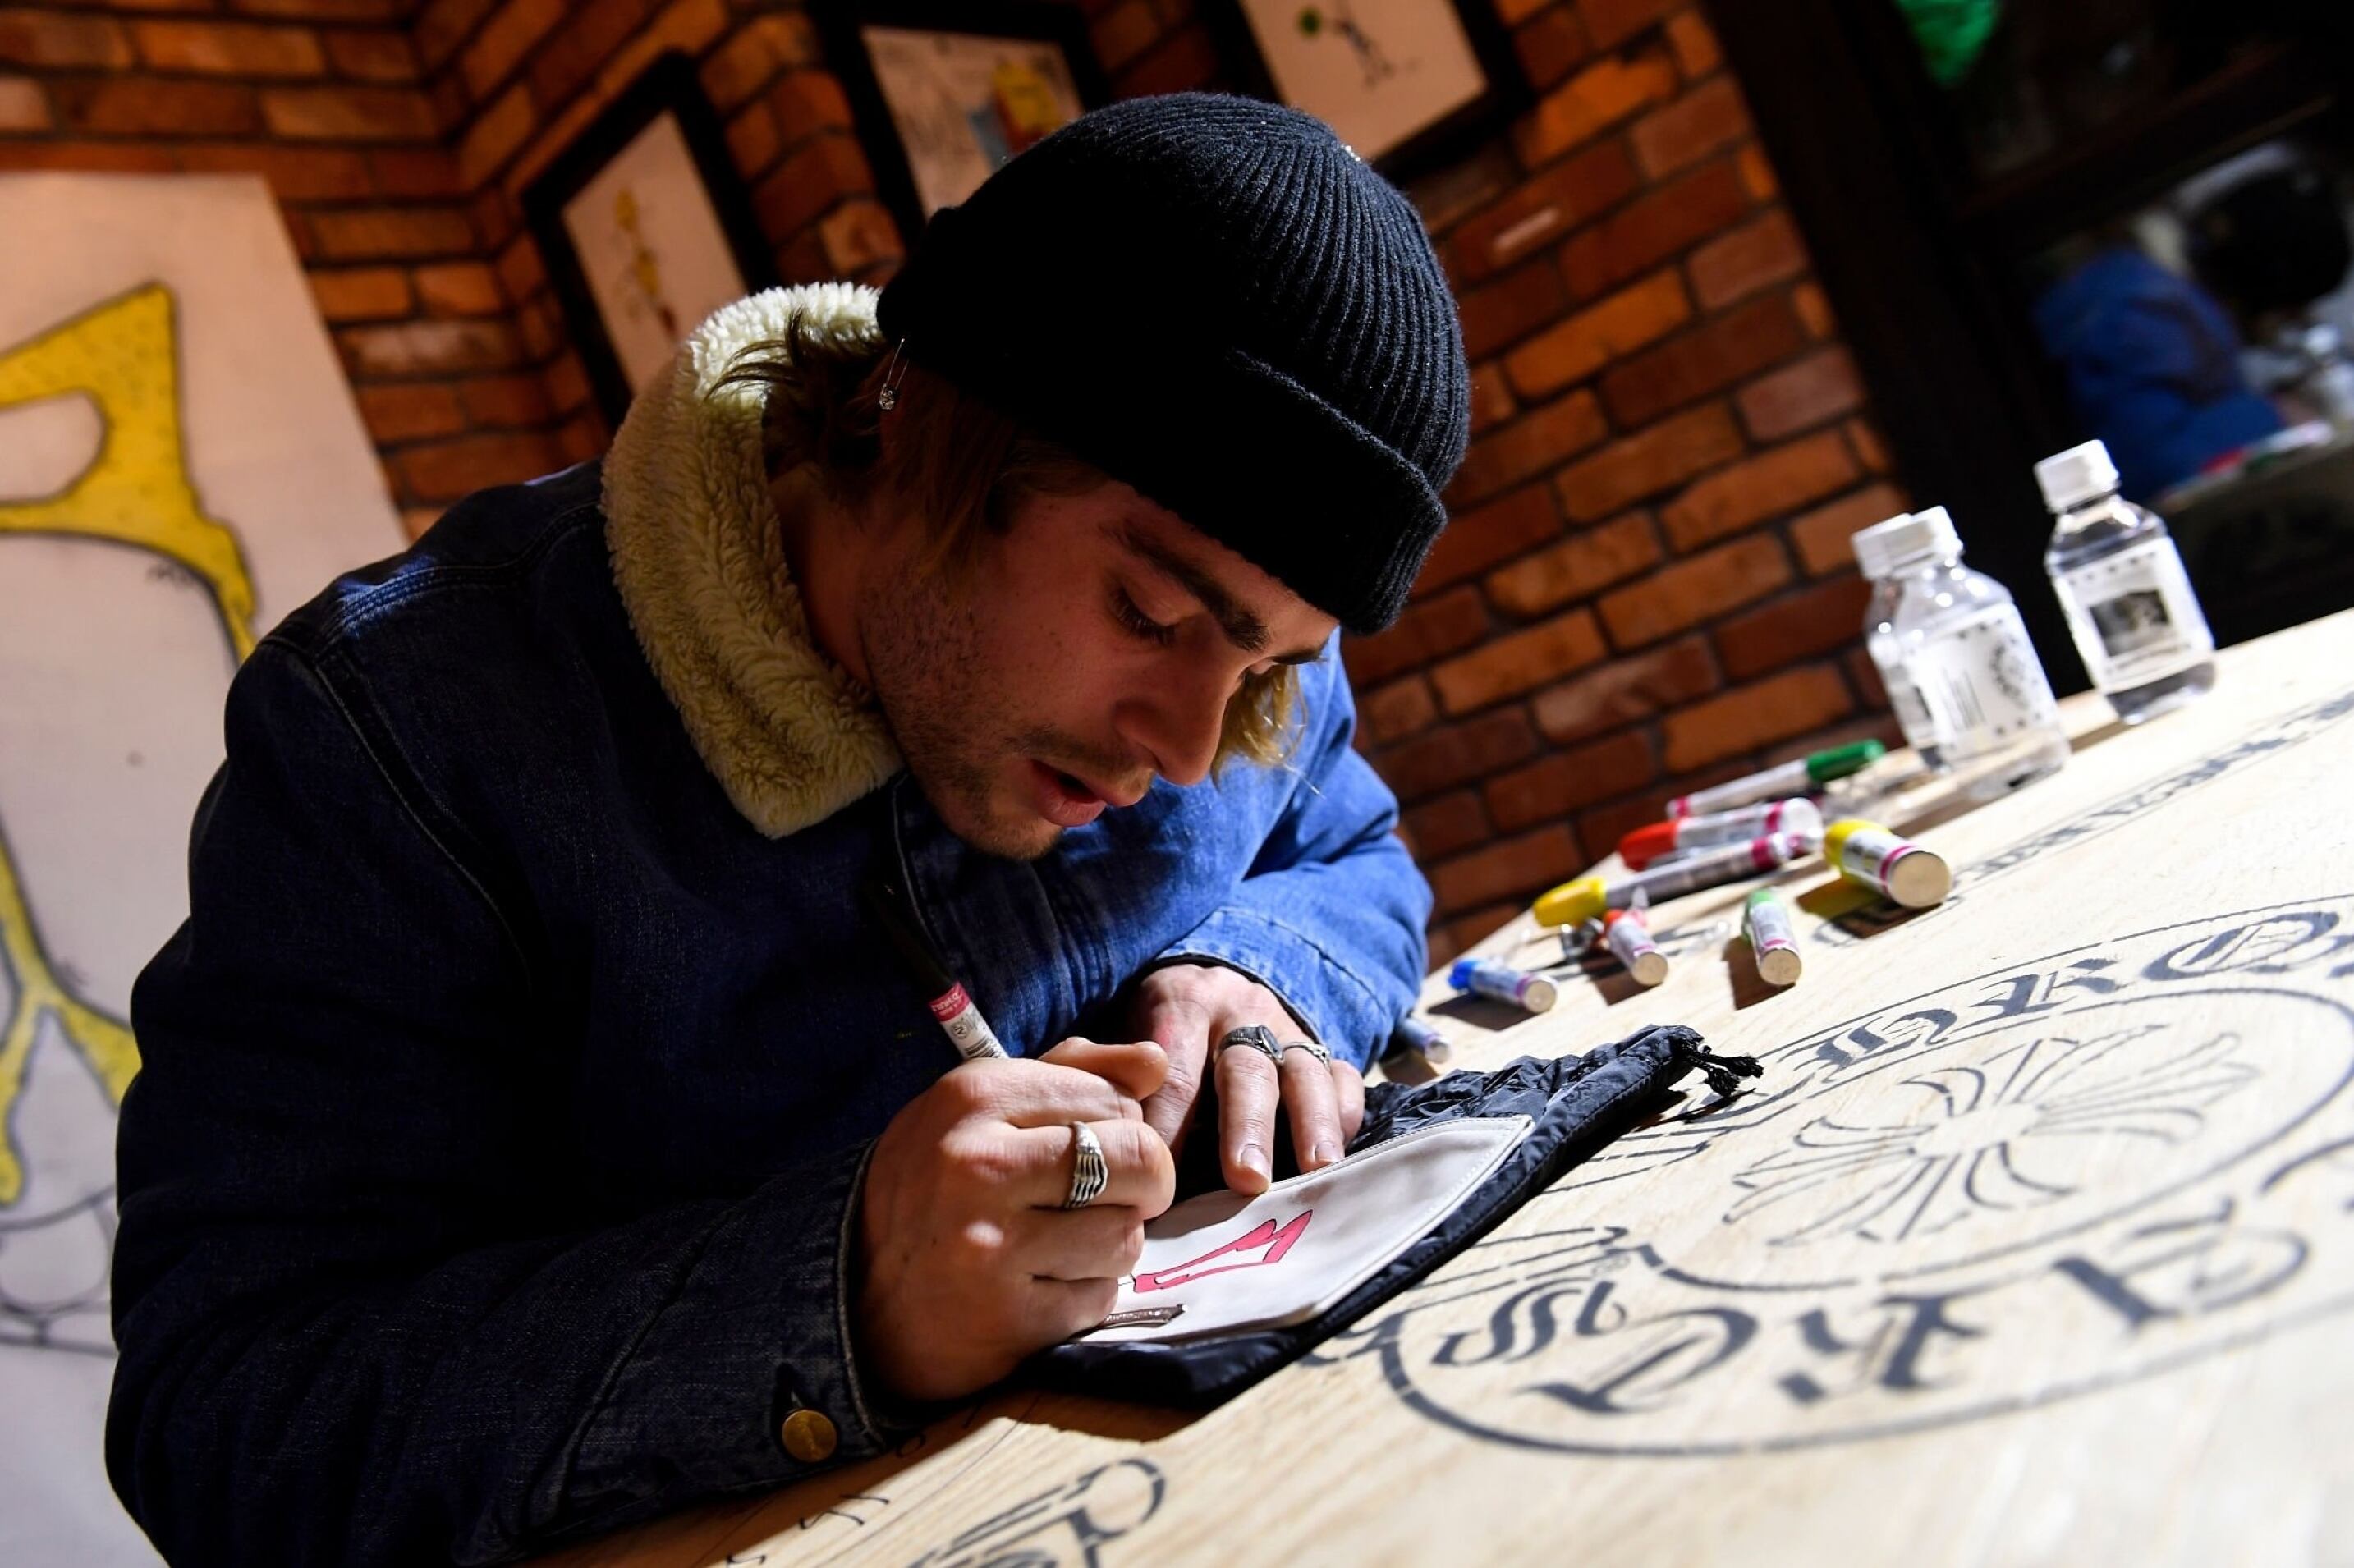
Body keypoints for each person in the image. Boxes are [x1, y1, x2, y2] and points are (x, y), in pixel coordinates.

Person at [105, 93, 1468, 1565]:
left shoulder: (1231, 630)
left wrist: (1259, 970)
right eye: (1145, 611)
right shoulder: (404, 736)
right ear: (926, 426)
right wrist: (840, 1294)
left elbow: (1354, 852)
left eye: (1266, 665)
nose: (1190, 747)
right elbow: (227, 1416)